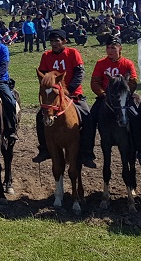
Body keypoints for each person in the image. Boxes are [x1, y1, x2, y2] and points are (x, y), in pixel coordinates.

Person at [33, 29, 95, 168]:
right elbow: (42, 75)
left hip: (73, 95)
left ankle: (87, 153)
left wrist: (69, 90)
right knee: (39, 116)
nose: (54, 44)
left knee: (87, 117)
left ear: (64, 41)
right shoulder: (46, 55)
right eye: (52, 41)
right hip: (54, 96)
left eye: (57, 41)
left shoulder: (73, 53)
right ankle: (44, 149)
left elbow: (80, 73)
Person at [89, 37, 141, 160]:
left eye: (113, 47)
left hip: (124, 98)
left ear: (120, 48)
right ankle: (88, 151)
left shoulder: (127, 63)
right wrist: (103, 94)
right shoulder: (100, 63)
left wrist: (124, 94)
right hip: (105, 98)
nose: (110, 50)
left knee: (136, 118)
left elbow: (133, 82)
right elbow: (95, 82)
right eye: (108, 48)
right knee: (90, 119)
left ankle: (140, 149)